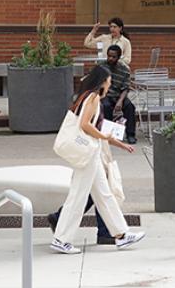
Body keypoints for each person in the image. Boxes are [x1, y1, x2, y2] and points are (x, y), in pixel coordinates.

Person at [51, 65, 145, 255]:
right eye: (109, 80)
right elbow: (85, 125)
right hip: (89, 153)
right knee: (78, 197)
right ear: (102, 81)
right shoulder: (93, 98)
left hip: (90, 153)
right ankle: (62, 238)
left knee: (104, 195)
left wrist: (118, 143)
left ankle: (121, 234)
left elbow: (93, 127)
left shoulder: (86, 96)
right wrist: (103, 138)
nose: (110, 83)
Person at [100, 45, 138, 144]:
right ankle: (108, 134)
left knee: (130, 107)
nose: (110, 59)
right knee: (106, 106)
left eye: (113, 57)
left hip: (119, 95)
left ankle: (130, 134)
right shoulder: (101, 67)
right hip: (105, 95)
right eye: (109, 56)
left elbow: (126, 88)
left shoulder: (124, 69)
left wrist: (120, 101)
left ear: (119, 57)